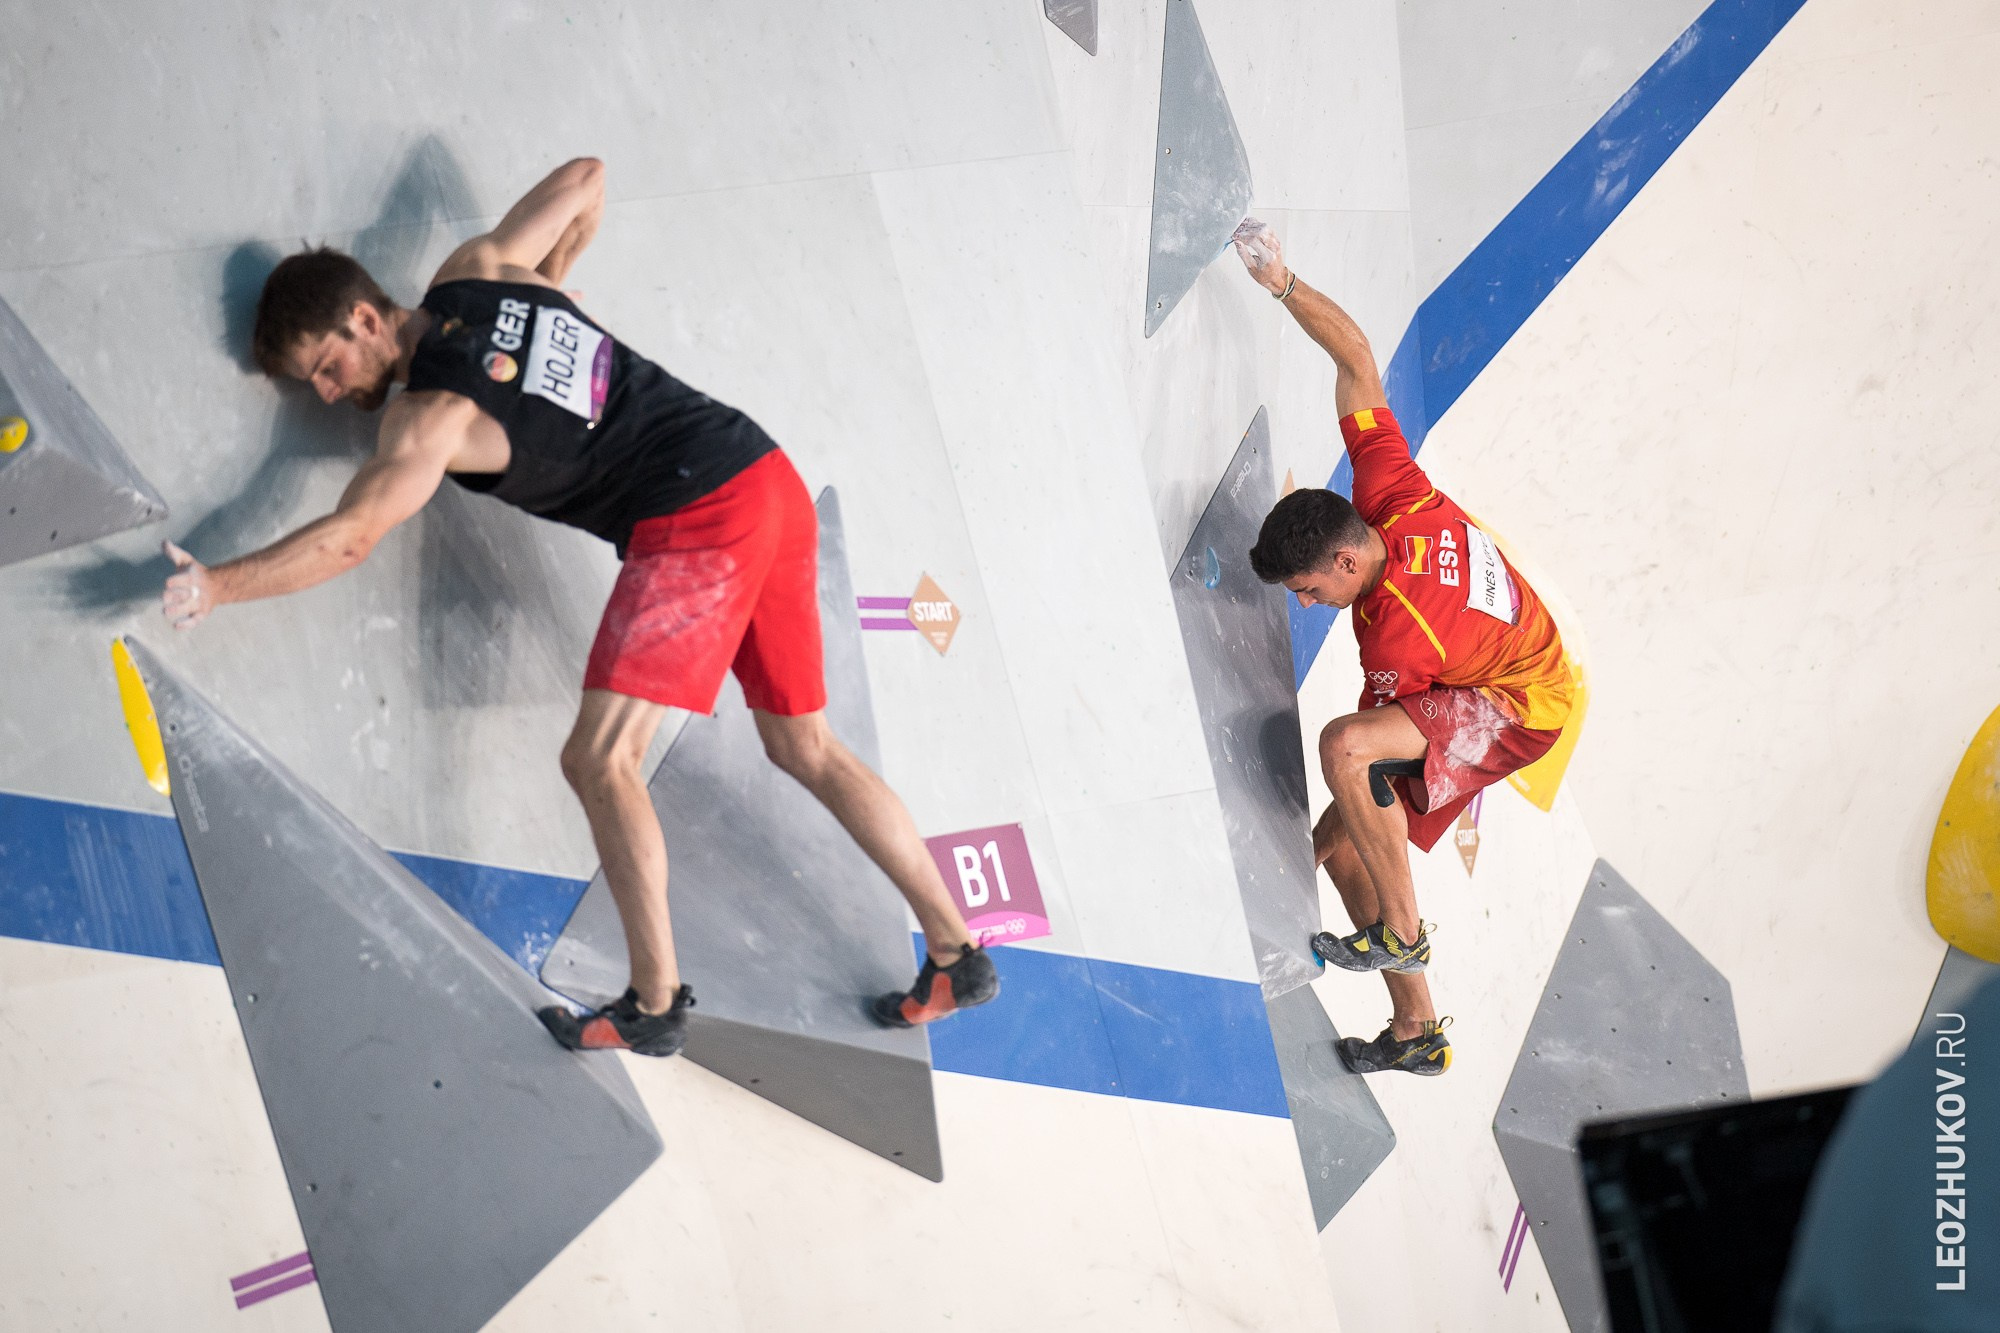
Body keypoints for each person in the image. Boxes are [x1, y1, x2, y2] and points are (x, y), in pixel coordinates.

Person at [160, 158, 997, 1056]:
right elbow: (588, 176)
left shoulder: (427, 418)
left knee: (601, 757)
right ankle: (955, 951)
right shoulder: (476, 269)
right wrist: (549, 283)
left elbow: (352, 535)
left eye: (326, 368)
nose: (328, 394)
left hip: (697, 513)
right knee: (804, 744)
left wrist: (218, 584)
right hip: (760, 469)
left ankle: (654, 999)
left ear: (366, 319)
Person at [1231, 219, 1575, 1076]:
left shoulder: (1399, 632)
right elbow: (1354, 358)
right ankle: (1417, 1030)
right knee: (1353, 834)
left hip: (1520, 705)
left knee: (1347, 746)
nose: (1306, 603)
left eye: (1309, 588)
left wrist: (1287, 863)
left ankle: (1402, 931)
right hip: (1498, 658)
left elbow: (1369, 765)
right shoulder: (1391, 485)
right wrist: (1280, 280)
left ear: (1345, 559)